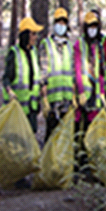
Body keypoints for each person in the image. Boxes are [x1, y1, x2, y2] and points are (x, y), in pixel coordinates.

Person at [39, 8, 76, 142]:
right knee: (51, 131)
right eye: (58, 23)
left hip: (66, 96)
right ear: (54, 24)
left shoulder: (69, 46)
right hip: (52, 96)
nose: (61, 26)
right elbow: (43, 70)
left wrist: (73, 93)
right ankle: (48, 160)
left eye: (63, 23)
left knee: (65, 132)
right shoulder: (46, 44)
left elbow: (72, 70)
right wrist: (44, 98)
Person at [3, 17, 44, 134]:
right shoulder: (14, 53)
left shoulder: (34, 52)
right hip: (18, 109)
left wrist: (42, 88)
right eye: (33, 34)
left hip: (32, 106)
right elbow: (6, 78)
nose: (36, 37)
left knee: (31, 135)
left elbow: (37, 75)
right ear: (25, 35)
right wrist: (9, 91)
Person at [74, 12, 106, 139]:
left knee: (91, 126)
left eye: (95, 26)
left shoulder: (98, 45)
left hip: (95, 92)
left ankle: (88, 154)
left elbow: (101, 71)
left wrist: (102, 93)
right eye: (90, 26)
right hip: (83, 91)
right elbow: (77, 68)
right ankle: (77, 153)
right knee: (78, 124)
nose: (92, 29)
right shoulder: (79, 43)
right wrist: (80, 91)